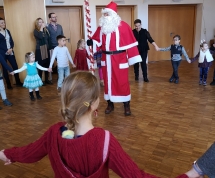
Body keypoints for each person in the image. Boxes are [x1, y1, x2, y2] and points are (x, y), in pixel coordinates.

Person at [0, 71, 195, 178]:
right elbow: (137, 177)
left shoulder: (54, 134)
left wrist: (7, 154)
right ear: (94, 103)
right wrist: (190, 174)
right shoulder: (103, 140)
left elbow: (29, 153)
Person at [87, 1, 142, 116]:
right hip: (106, 58)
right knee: (108, 82)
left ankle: (126, 105)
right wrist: (91, 41)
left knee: (122, 82)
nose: (105, 16)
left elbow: (131, 44)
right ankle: (110, 104)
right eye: (104, 14)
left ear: (113, 14)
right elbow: (97, 39)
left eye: (107, 14)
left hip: (119, 58)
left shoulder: (123, 26)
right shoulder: (102, 27)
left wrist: (133, 59)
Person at [0, 17, 23, 90]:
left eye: (4, 22)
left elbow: (12, 41)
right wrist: (6, 50)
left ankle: (18, 82)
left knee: (15, 66)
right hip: (2, 53)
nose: (4, 24)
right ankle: (8, 85)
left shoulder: (7, 31)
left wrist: (11, 48)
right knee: (5, 68)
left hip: (10, 52)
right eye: (2, 23)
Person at [34, 18, 52, 86]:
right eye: (39, 22)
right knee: (40, 65)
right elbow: (40, 37)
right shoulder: (35, 31)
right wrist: (41, 28)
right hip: (39, 50)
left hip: (46, 49)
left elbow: (48, 39)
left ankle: (47, 79)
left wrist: (50, 47)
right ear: (37, 23)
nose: (41, 23)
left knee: (47, 64)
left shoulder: (46, 30)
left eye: (42, 22)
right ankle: (40, 80)